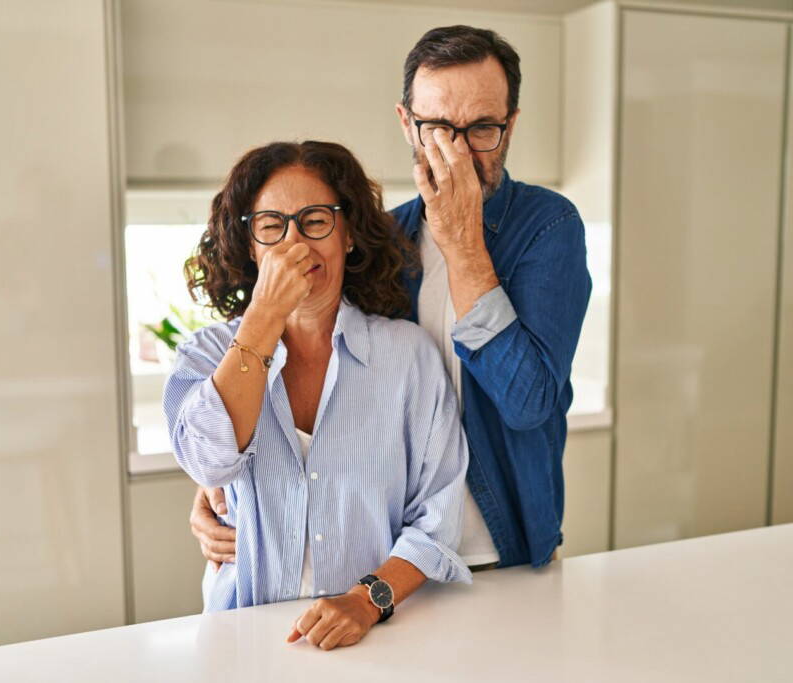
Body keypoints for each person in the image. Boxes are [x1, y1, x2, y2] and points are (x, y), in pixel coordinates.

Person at [191, 25, 591, 574]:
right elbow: (313, 371)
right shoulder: (383, 238)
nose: (457, 151)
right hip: (392, 559)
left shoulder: (549, 226)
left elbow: (528, 404)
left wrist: (464, 244)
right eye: (435, 128)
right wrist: (218, 484)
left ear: (511, 124)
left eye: (481, 129)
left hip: (506, 552)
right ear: (407, 122)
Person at [166, 141, 471, 651]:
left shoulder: (408, 357)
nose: (296, 245)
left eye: (315, 221)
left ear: (348, 234)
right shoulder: (204, 355)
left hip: (377, 640)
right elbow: (209, 461)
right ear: (250, 244)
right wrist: (264, 317)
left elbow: (438, 520)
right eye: (272, 226)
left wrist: (365, 600)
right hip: (244, 639)